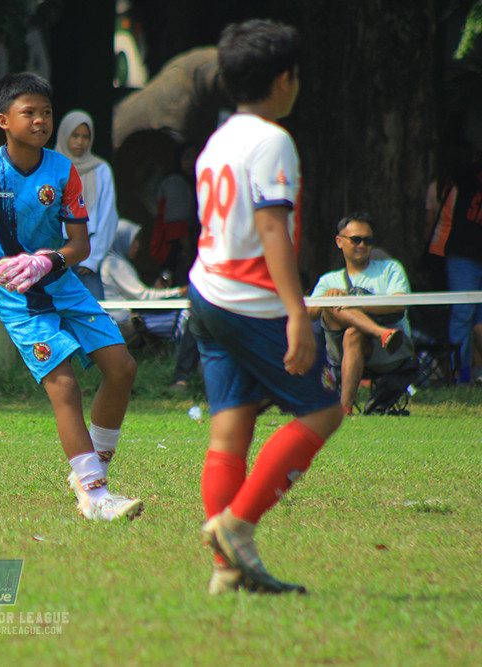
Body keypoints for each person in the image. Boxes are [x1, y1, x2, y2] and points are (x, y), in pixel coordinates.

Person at [0, 72, 143, 522]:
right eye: (28, 113)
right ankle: (95, 495)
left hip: (61, 283)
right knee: (65, 384)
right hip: (16, 296)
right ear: (3, 120)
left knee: (123, 367)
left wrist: (47, 261)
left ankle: (92, 468)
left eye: (46, 112)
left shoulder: (63, 170)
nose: (40, 121)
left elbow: (81, 245)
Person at [190, 21, 343, 594]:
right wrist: (297, 313)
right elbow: (272, 228)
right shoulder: (273, 139)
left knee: (230, 428)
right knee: (323, 411)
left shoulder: (220, 137)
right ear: (284, 80)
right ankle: (237, 526)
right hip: (250, 301)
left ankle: (226, 574)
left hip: (206, 292)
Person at [308, 214, 415, 414]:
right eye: (356, 239)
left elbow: (400, 303)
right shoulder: (329, 280)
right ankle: (380, 333)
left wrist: (357, 304)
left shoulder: (390, 268)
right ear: (339, 241)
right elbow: (308, 314)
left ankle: (344, 408)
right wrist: (327, 301)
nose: (362, 245)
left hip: (389, 352)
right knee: (340, 314)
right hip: (345, 351)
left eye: (368, 240)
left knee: (352, 334)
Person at [53, 110, 119, 299]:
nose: (80, 142)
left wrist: (92, 260)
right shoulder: (52, 166)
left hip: (86, 250)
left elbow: (108, 216)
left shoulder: (100, 169)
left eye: (85, 137)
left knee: (93, 312)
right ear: (64, 134)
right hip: (54, 249)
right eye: (75, 135)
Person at [428, 155, 482, 384]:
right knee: (463, 314)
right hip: (463, 257)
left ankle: (476, 374)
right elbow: (458, 169)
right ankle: (460, 375)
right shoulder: (469, 177)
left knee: (479, 322)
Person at [100, 219, 186, 343]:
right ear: (122, 239)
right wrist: (179, 292)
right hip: (123, 323)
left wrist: (156, 289)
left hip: (121, 319)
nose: (138, 245)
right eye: (134, 240)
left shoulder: (113, 261)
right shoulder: (116, 264)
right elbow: (142, 296)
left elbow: (137, 294)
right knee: (183, 316)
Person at [149, 143, 199, 282]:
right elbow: (176, 223)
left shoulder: (191, 182)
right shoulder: (175, 183)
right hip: (175, 246)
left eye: (195, 158)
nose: (191, 163)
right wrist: (187, 247)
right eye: (187, 158)